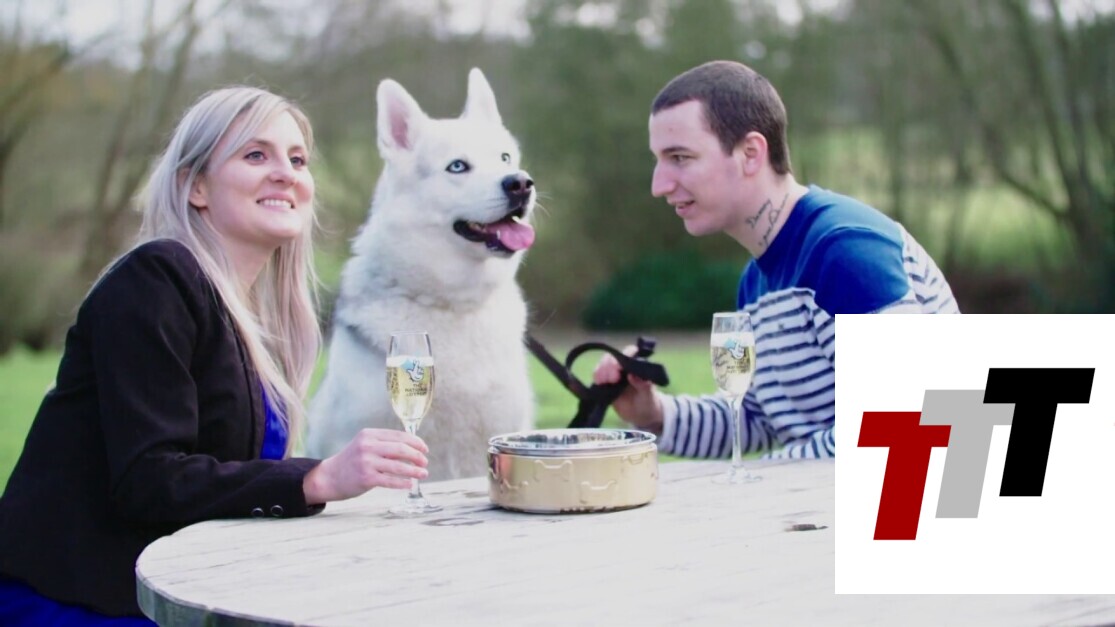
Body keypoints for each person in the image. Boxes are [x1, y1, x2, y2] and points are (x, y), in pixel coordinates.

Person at [0, 87, 430, 623]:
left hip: (178, 590)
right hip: (77, 600)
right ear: (195, 185)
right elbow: (150, 481)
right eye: (256, 154)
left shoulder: (255, 316)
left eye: (297, 159)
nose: (286, 173)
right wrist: (315, 479)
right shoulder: (154, 280)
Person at [593, 60, 959, 460]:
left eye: (680, 157)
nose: (659, 185)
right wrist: (654, 413)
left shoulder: (844, 252)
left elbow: (908, 425)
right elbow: (757, 416)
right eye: (659, 160)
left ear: (750, 154)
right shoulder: (754, 283)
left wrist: (757, 481)